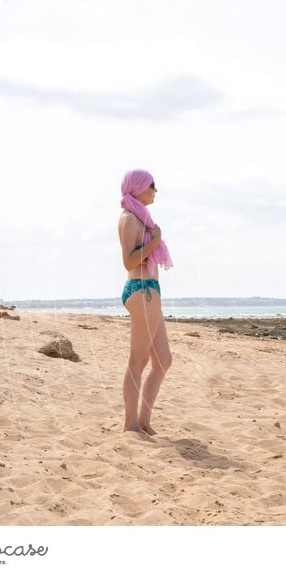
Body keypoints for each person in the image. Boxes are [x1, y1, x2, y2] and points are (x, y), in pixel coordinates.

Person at [118, 169, 174, 435]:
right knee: (137, 361)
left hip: (151, 290)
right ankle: (131, 425)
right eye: (152, 185)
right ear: (139, 187)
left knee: (163, 360)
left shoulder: (143, 220)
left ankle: (144, 421)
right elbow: (128, 261)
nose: (155, 190)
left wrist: (154, 237)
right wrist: (155, 242)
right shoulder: (129, 219)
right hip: (140, 289)